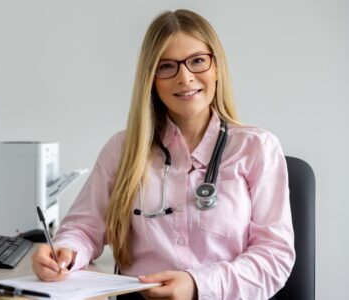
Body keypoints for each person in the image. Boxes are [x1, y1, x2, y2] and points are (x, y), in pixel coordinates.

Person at [32, 9, 295, 300]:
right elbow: (83, 228)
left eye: (197, 61)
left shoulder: (257, 148)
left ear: (217, 67)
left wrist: (197, 284)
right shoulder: (123, 150)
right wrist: (65, 252)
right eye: (167, 66)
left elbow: (275, 257)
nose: (185, 78)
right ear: (152, 79)